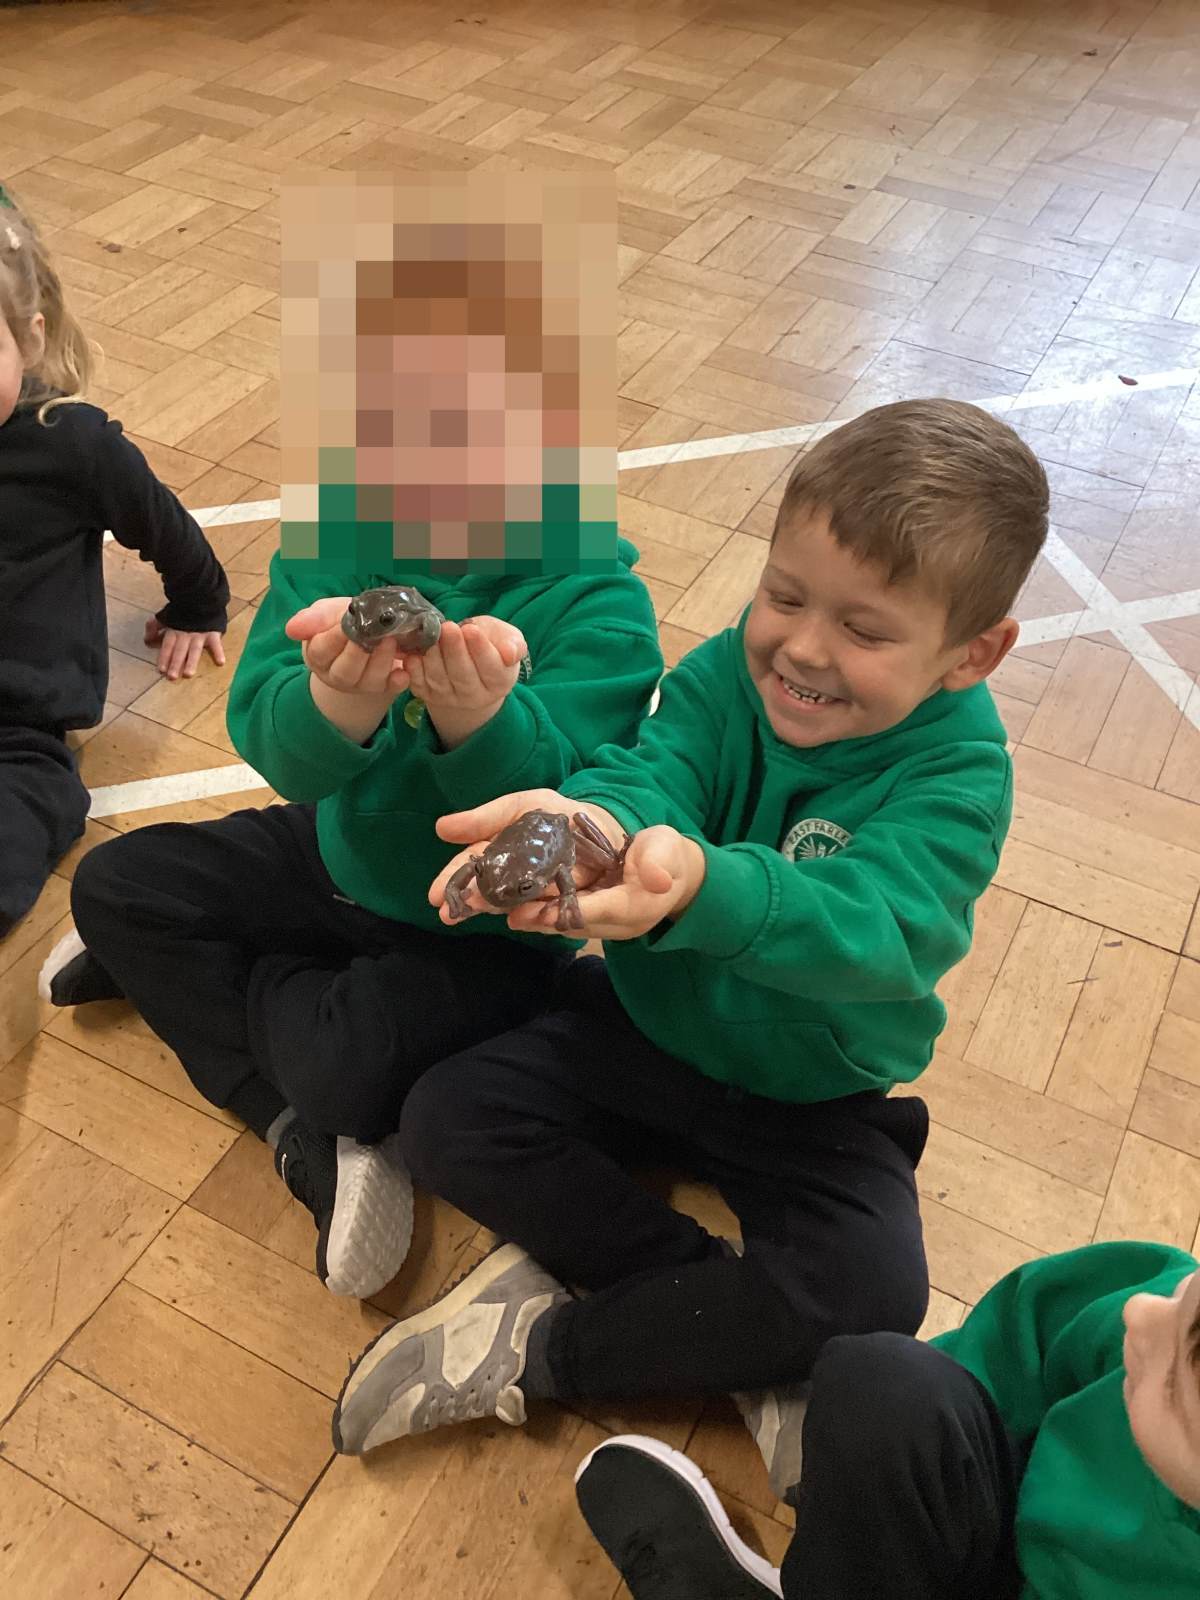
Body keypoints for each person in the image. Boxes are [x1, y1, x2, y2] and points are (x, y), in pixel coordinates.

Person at [328, 397, 1051, 1474]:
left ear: (972, 654)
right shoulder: (726, 672)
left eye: (864, 630)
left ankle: (548, 1347)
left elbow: (885, 928)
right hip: (645, 1025)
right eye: (784, 594)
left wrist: (708, 886)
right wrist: (594, 822)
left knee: (874, 1292)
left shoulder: (962, 772)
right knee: (445, 1119)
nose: (802, 647)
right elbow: (651, 768)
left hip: (813, 1093)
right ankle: (719, 1324)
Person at [52, 242, 663, 1302]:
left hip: (478, 929)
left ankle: (230, 1010)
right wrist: (336, 703)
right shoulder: (341, 540)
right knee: (112, 885)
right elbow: (276, 745)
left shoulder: (599, 602)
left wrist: (482, 728)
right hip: (339, 849)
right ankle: (296, 1126)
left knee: (349, 1068)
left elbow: (572, 817)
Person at [571, 1240, 1200, 1600]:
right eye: (1184, 1295)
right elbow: (1016, 1342)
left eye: (1174, 1389)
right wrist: (879, 1481)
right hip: (1000, 1520)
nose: (1141, 1312)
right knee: (884, 1392)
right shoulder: (1158, 1318)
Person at [0, 183, 228, 939]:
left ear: (29, 339)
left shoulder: (73, 445)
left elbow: (165, 526)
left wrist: (197, 604)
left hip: (15, 733)